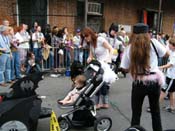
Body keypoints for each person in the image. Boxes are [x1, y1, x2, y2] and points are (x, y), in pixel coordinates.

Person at [120, 23, 169, 131]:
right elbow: (166, 53)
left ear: (134, 34)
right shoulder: (154, 43)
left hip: (139, 83)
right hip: (155, 81)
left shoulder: (130, 47)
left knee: (136, 113)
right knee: (155, 111)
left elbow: (124, 68)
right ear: (147, 33)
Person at [82, 27, 117, 109]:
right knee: (96, 83)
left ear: (90, 34)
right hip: (97, 65)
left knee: (102, 83)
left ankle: (103, 103)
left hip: (105, 64)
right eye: (84, 37)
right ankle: (98, 103)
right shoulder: (91, 43)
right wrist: (89, 58)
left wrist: (108, 58)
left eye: (86, 36)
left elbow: (111, 49)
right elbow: (91, 54)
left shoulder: (100, 39)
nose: (86, 38)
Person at [159, 37, 175, 112]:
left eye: (170, 45)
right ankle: (172, 107)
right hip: (170, 76)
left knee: (163, 91)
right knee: (171, 92)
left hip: (172, 77)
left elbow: (171, 65)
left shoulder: (174, 54)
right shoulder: (172, 52)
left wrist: (160, 67)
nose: (168, 46)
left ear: (173, 45)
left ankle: (154, 107)